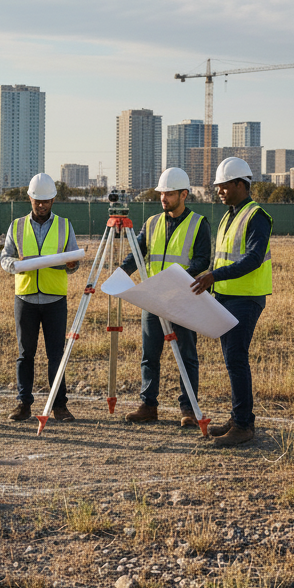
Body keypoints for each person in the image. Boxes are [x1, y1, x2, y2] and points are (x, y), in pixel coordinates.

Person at [189, 157, 272, 447]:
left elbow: (252, 258)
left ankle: (244, 426)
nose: (219, 191)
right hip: (225, 297)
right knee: (231, 360)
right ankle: (238, 419)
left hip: (246, 298)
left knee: (236, 359)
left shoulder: (256, 215)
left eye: (224, 186)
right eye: (218, 187)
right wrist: (213, 282)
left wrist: (215, 275)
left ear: (241, 184)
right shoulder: (229, 215)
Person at [120, 168, 211, 427]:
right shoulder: (151, 223)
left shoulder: (198, 223)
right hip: (153, 300)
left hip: (183, 300)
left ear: (184, 194)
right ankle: (148, 406)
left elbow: (202, 260)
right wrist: (121, 274)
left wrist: (175, 280)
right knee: (150, 356)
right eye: (161, 193)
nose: (163, 198)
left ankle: (189, 409)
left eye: (169, 194)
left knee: (186, 356)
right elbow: (136, 255)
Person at [0, 173, 79, 422]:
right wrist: (18, 265)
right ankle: (23, 404)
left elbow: (73, 263)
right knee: (26, 354)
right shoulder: (17, 226)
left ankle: (60, 406)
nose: (42, 205)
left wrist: (71, 265)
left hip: (55, 299)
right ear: (30, 199)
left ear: (53, 199)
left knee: (56, 355)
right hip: (25, 299)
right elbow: (5, 259)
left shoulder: (65, 226)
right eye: (37, 201)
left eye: (46, 201)